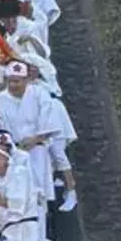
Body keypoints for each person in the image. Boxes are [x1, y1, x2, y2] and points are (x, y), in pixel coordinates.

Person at [0, 60, 61, 241]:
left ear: (26, 80)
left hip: (37, 152)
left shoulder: (39, 94)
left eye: (18, 81)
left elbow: (50, 123)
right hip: (14, 155)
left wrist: (35, 139)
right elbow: (1, 129)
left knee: (37, 200)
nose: (14, 85)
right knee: (16, 199)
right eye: (11, 81)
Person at [19, 52, 78, 212]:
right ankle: (53, 187)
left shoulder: (47, 82)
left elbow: (46, 65)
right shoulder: (24, 86)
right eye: (28, 68)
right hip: (39, 118)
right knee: (46, 153)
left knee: (57, 152)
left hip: (54, 115)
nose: (31, 71)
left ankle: (71, 189)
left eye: (33, 68)